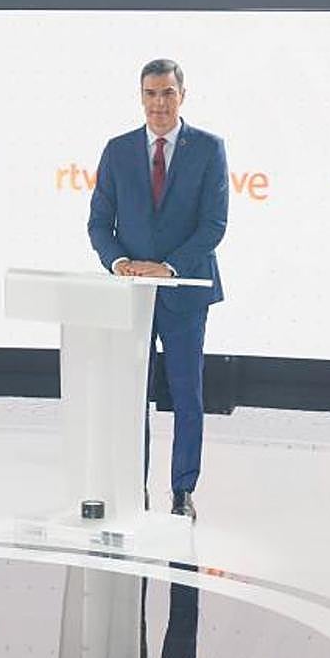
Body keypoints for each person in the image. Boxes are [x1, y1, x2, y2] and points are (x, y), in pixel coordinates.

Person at [88, 59, 228, 522]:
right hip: (131, 296)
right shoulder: (117, 150)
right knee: (134, 397)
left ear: (182, 95)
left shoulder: (208, 149)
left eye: (168, 93)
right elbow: (99, 223)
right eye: (151, 93)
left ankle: (182, 490)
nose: (159, 103)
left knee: (187, 395)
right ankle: (135, 487)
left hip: (185, 292)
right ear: (141, 97)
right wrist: (120, 264)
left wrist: (168, 268)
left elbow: (213, 225)